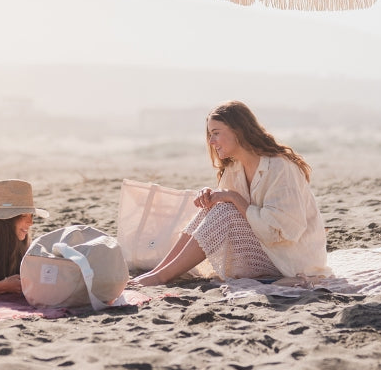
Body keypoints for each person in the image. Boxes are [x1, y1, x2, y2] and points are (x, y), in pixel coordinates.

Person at [133, 101, 327, 286]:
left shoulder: (280, 167)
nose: (211, 141)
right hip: (266, 250)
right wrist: (213, 196)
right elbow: (224, 207)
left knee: (225, 209)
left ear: (238, 131)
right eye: (210, 135)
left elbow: (281, 231)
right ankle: (158, 272)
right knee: (214, 208)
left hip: (291, 259)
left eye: (216, 133)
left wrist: (233, 197)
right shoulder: (235, 168)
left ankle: (161, 277)